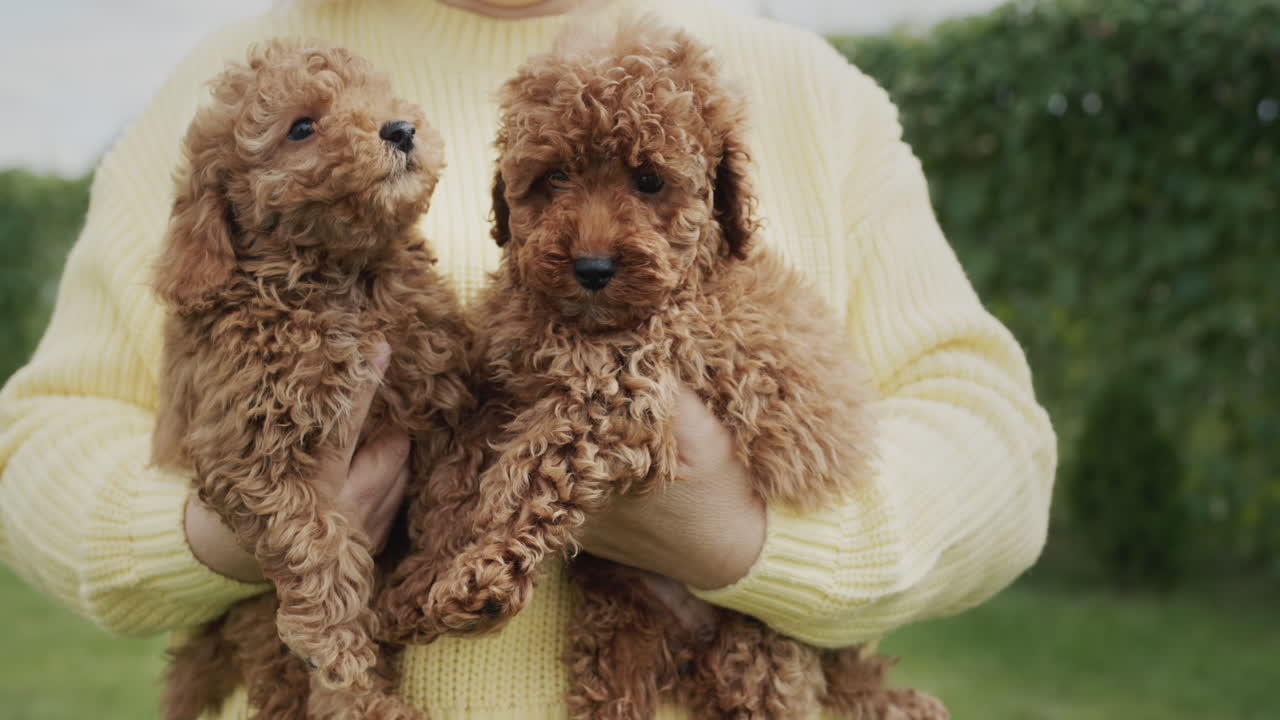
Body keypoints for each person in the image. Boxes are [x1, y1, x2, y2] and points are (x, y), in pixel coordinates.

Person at [0, 0, 1056, 717]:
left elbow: (994, 440)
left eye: (649, 186)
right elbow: (39, 440)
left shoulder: (808, 92)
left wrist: (751, 543)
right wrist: (224, 533)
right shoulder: (233, 86)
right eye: (545, 187)